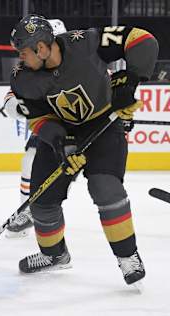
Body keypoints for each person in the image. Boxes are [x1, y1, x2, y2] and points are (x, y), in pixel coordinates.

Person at [8, 14, 158, 286]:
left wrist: (131, 79)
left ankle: (128, 256)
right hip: (62, 134)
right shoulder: (24, 78)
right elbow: (37, 117)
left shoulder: (86, 43)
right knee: (41, 201)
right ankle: (55, 255)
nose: (20, 59)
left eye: (23, 52)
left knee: (106, 188)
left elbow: (142, 40)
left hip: (104, 127)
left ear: (41, 48)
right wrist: (60, 142)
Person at [4, 19, 67, 238]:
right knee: (30, 160)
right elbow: (11, 99)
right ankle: (28, 210)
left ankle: (40, 214)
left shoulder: (78, 62)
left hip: (80, 128)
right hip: (51, 128)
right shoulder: (33, 69)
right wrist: (20, 107)